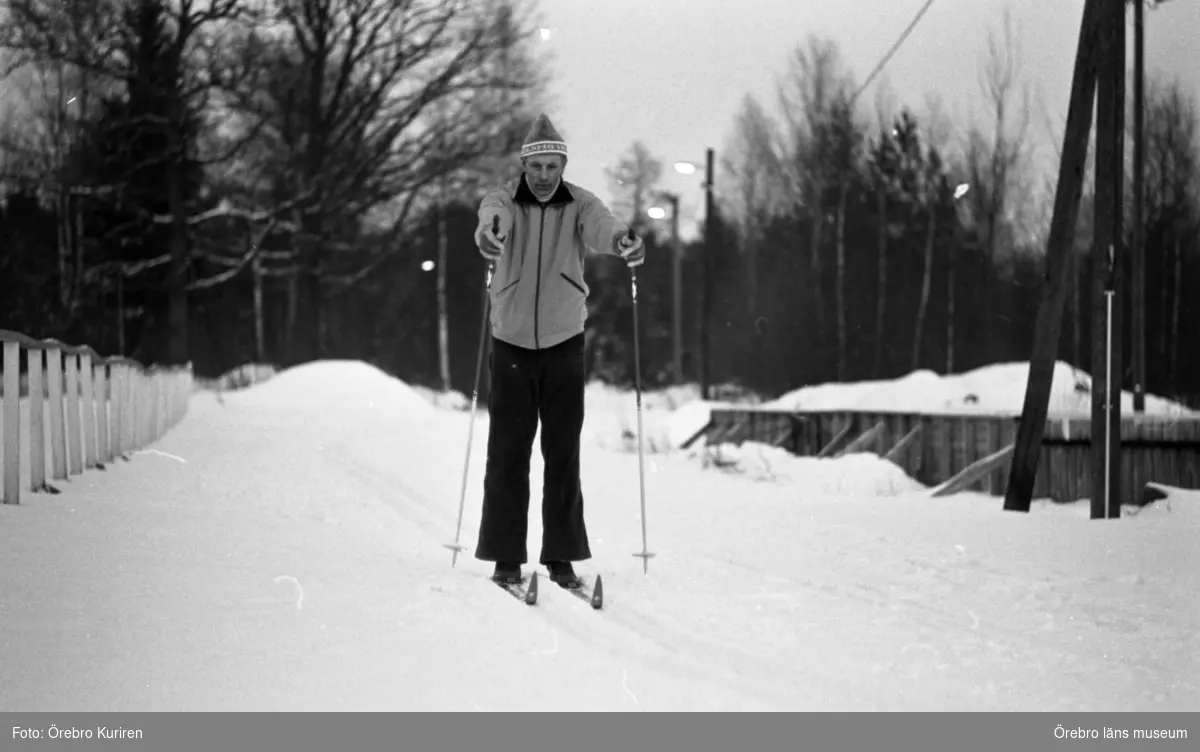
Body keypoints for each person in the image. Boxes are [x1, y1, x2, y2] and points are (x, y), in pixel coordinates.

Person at [471, 113, 645, 588]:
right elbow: (492, 219)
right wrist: (490, 233)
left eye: (552, 166)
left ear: (562, 165)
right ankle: (506, 556)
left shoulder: (580, 204)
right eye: (537, 166)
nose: (544, 175)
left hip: (565, 343)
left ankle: (561, 555)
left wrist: (622, 241)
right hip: (509, 343)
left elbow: (603, 227)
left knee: (562, 452)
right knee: (507, 452)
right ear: (525, 166)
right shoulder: (503, 200)